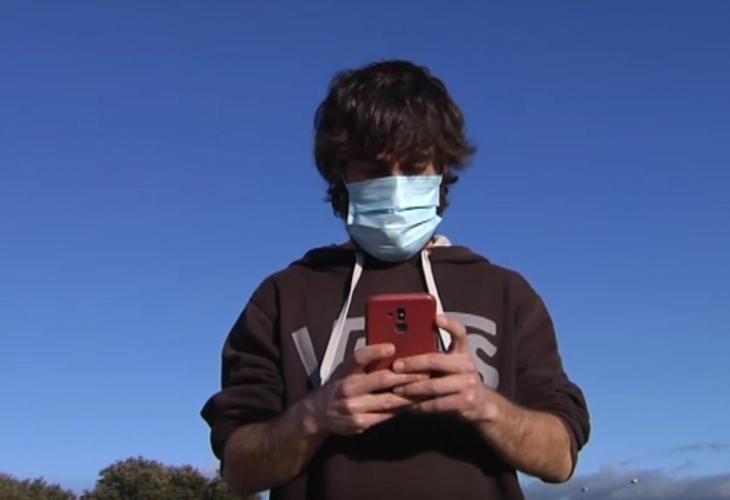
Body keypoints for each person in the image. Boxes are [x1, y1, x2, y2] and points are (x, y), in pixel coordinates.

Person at [201, 60, 590, 500]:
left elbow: (559, 458)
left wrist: (483, 405)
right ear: (341, 176)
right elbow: (239, 470)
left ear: (441, 171)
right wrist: (315, 416)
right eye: (374, 170)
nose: (397, 185)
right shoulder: (283, 296)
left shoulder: (505, 292)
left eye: (415, 166)